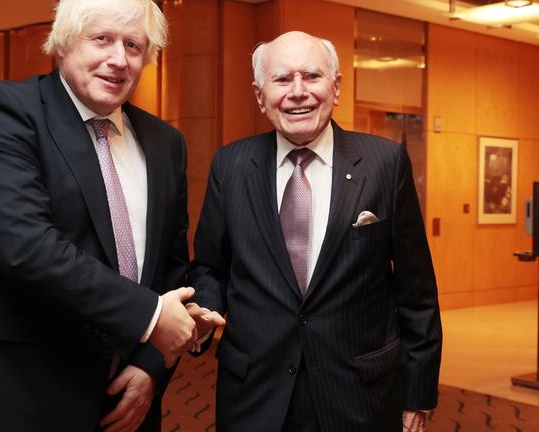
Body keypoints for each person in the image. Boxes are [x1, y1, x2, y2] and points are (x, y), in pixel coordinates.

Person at [0, 0, 197, 432]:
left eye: (133, 46)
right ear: (64, 42)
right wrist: (150, 317)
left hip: (124, 402)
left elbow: (171, 268)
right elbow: (25, 247)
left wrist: (151, 365)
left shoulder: (166, 142)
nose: (119, 59)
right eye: (102, 39)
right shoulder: (7, 111)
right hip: (14, 395)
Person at [187, 31, 442, 432]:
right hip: (255, 392)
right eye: (283, 79)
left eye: (311, 76)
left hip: (359, 394)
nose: (298, 92)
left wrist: (419, 390)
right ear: (260, 94)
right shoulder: (230, 166)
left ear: (335, 86)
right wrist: (205, 309)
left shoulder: (384, 163)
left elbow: (417, 290)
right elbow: (210, 267)